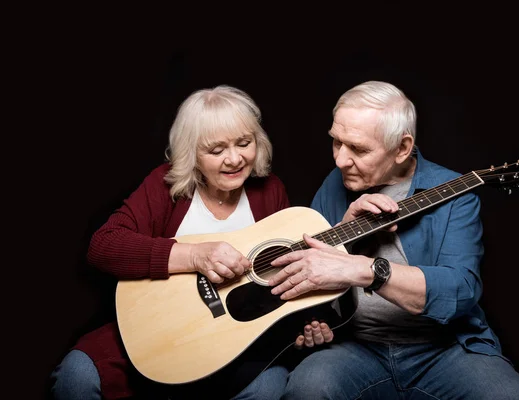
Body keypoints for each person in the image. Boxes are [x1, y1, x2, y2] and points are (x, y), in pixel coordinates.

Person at [50, 85, 333, 400]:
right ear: (192, 153)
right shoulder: (165, 185)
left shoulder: (269, 191)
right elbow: (103, 246)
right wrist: (194, 255)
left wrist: (308, 323)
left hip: (237, 345)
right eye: (216, 150)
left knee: (268, 390)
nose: (235, 159)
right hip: (155, 332)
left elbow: (285, 272)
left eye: (244, 143)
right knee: (76, 376)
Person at [268, 80, 519, 399]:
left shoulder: (456, 192)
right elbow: (304, 275)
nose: (340, 160)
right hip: (355, 347)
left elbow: (460, 290)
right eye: (336, 142)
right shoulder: (335, 184)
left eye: (357, 148)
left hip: (441, 349)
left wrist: (367, 269)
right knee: (307, 390)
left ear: (402, 148)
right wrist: (312, 321)